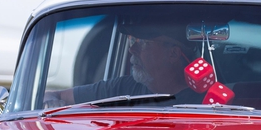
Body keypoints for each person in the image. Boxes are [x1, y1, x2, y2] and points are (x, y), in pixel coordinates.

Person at [43, 25, 204, 107]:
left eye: (143, 43)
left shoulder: (207, 101)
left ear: (173, 54)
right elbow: (54, 95)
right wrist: (52, 104)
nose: (132, 49)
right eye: (132, 40)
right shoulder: (123, 88)